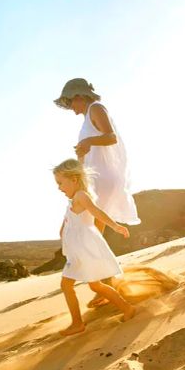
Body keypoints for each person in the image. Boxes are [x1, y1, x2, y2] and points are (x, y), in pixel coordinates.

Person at [54, 78, 140, 307]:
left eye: (71, 102)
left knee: (92, 234)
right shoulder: (86, 117)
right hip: (96, 180)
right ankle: (104, 286)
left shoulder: (96, 108)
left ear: (80, 96)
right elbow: (91, 148)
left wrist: (89, 141)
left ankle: (104, 287)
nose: (71, 107)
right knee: (93, 234)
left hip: (104, 179)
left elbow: (110, 137)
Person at [53, 158, 136, 336]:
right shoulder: (73, 199)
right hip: (78, 250)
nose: (59, 187)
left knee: (66, 285)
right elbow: (71, 221)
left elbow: (97, 213)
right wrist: (62, 230)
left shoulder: (81, 196)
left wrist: (115, 226)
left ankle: (77, 323)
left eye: (60, 183)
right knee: (95, 286)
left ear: (74, 179)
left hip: (83, 250)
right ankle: (127, 308)